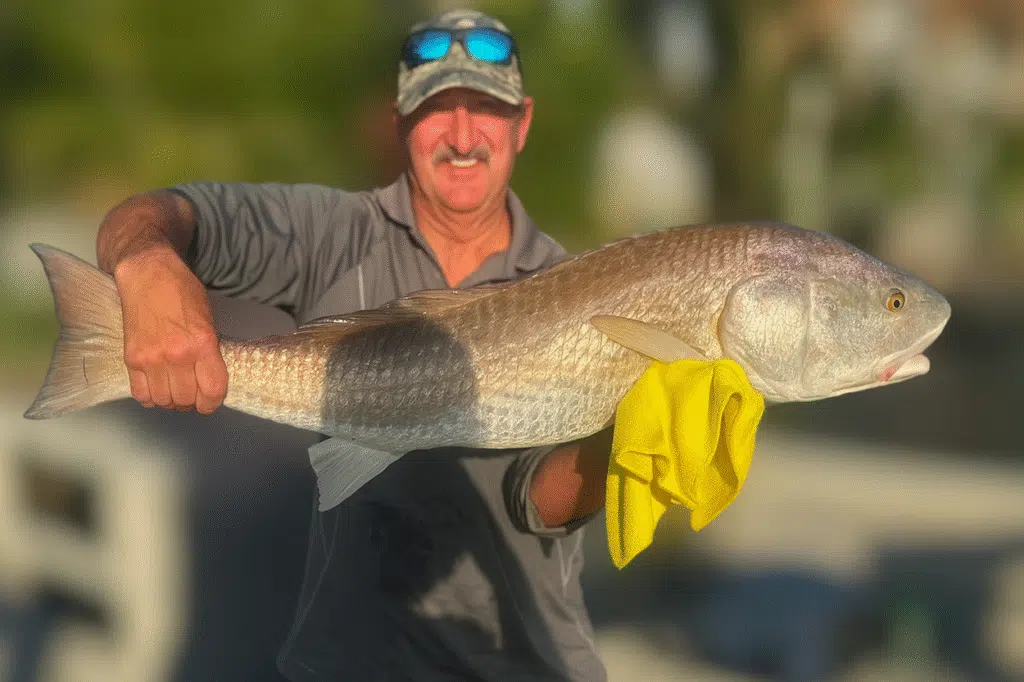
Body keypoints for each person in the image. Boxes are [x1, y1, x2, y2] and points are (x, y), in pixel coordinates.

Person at [95, 8, 612, 682]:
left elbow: (539, 506)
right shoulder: (334, 232)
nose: (461, 135)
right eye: (436, 110)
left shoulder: (568, 284)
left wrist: (620, 440)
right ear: (400, 123)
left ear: (523, 124)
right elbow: (160, 213)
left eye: (485, 109)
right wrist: (146, 262)